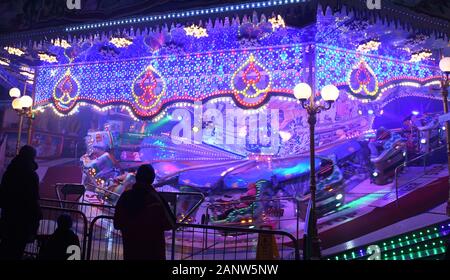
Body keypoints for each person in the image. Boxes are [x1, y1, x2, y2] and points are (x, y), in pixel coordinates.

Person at [113, 164, 175, 260]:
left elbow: (117, 223)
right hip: (154, 253)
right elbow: (170, 223)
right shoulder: (156, 199)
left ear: (137, 177)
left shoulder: (126, 197)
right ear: (152, 179)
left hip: (132, 251)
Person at [0, 145, 42, 260]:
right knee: (17, 249)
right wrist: (37, 215)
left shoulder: (9, 172)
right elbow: (32, 198)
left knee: (6, 246)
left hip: (8, 215)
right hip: (23, 218)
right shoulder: (31, 175)